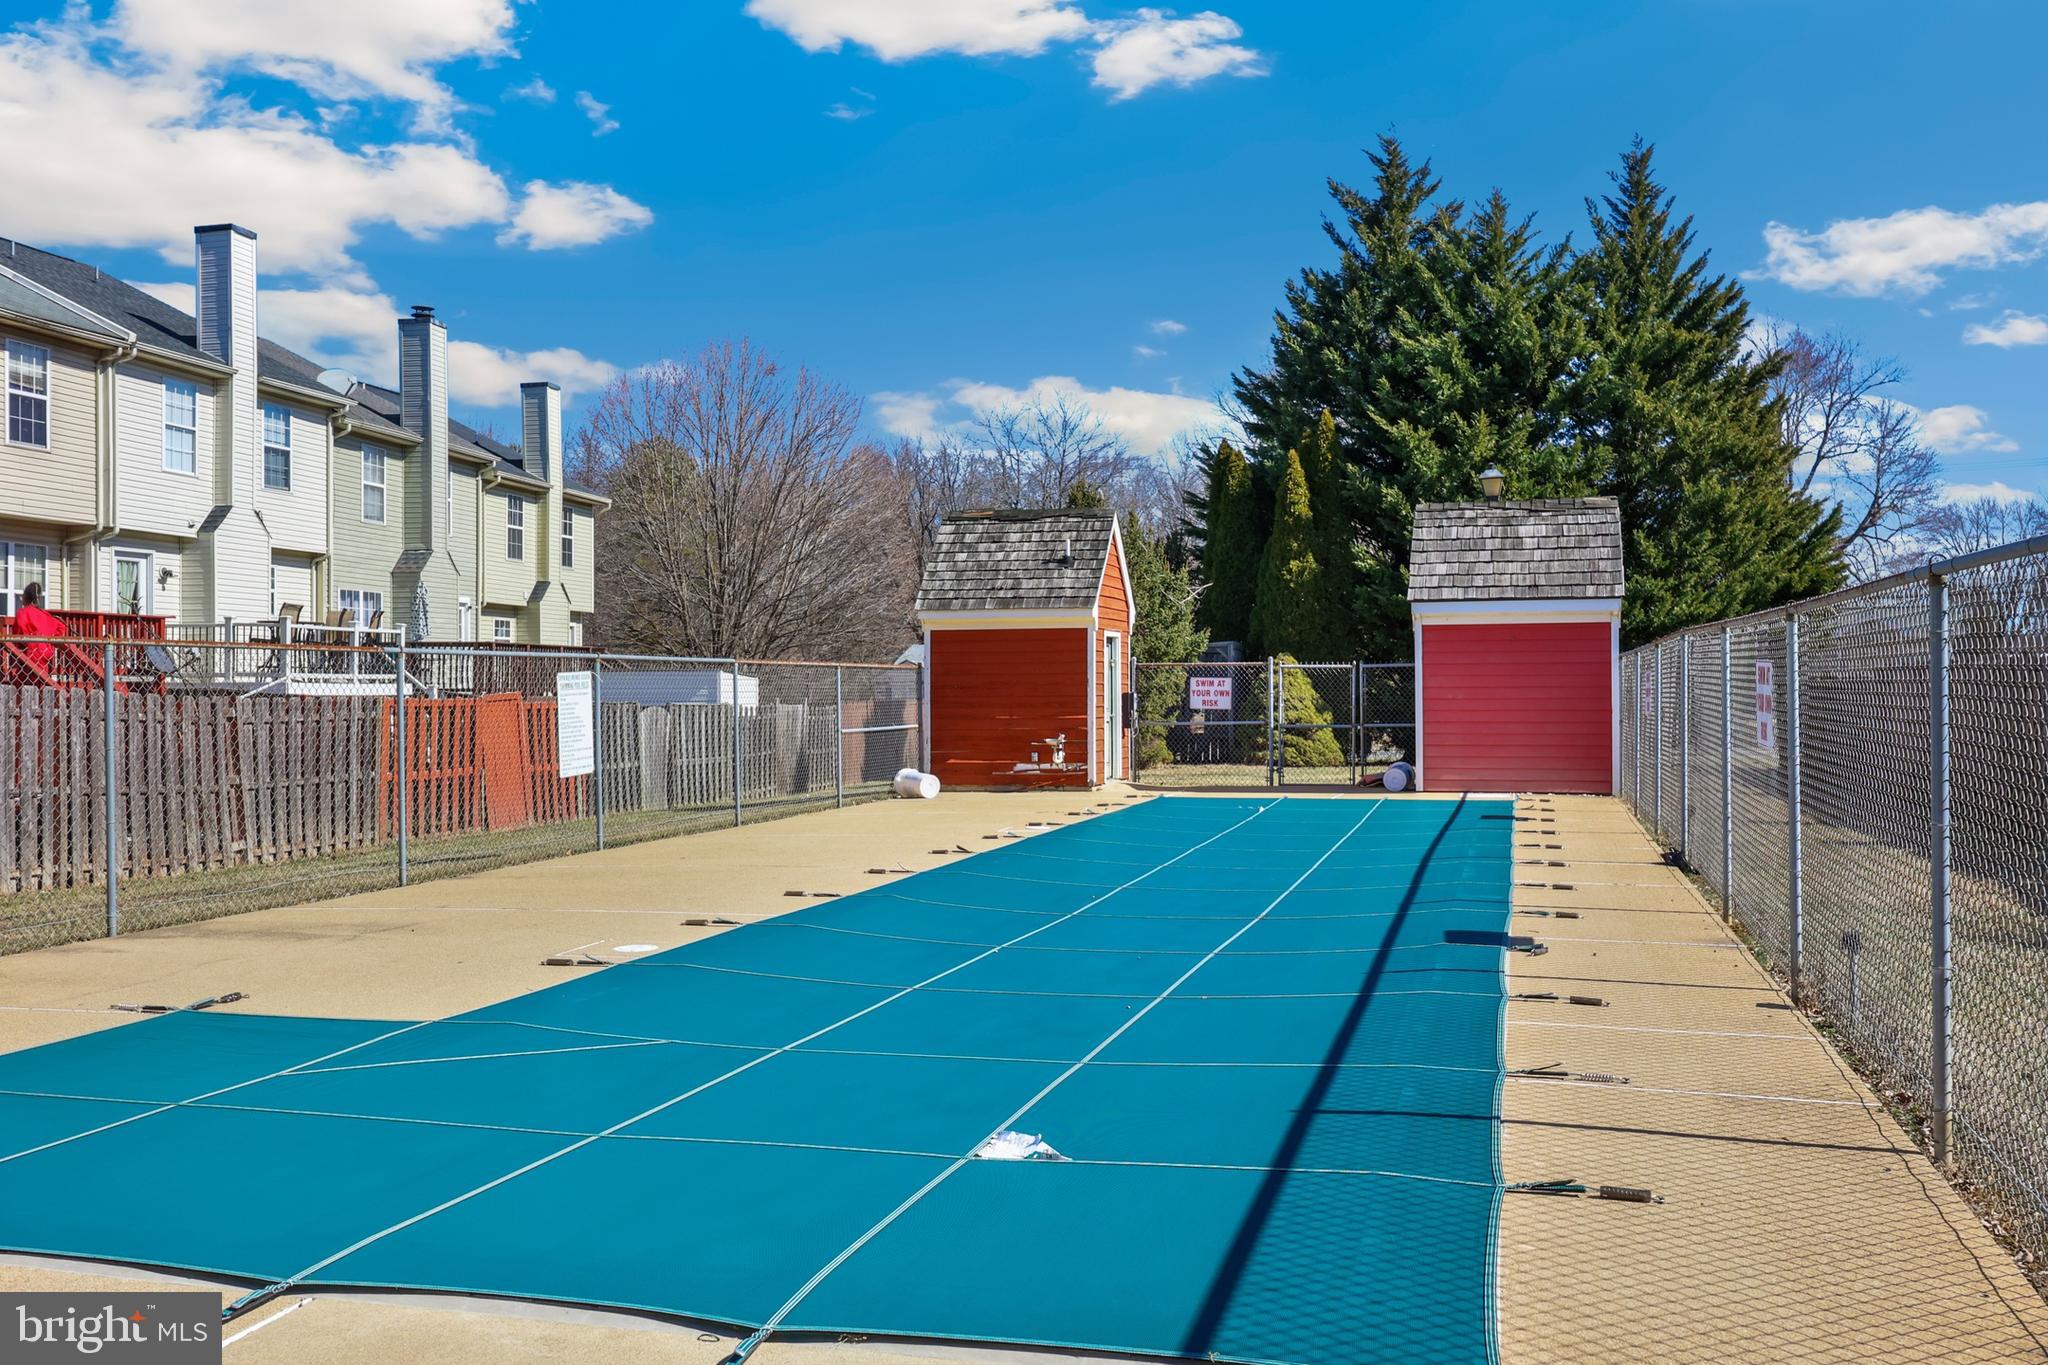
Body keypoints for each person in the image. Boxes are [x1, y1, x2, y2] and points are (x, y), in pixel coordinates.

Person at [13, 581, 64, 673]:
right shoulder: (46, 615)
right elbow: (61, 627)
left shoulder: (22, 613)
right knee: (42, 679)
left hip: (28, 655)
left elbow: (19, 632)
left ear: (25, 597)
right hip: (45, 653)